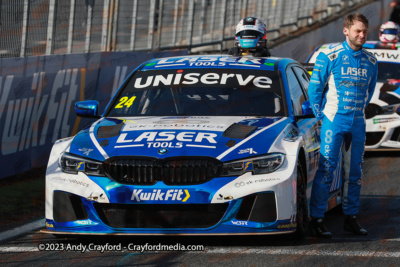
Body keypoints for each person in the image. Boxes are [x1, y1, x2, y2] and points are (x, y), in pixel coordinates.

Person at [307, 13, 378, 238]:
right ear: (345, 31)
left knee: (355, 172)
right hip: (333, 121)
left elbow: (369, 91)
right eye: (358, 31)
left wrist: (358, 113)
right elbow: (314, 90)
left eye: (365, 31)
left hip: (357, 122)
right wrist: (320, 116)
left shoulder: (371, 60)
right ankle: (317, 219)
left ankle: (351, 218)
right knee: (327, 170)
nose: (362, 35)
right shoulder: (329, 54)